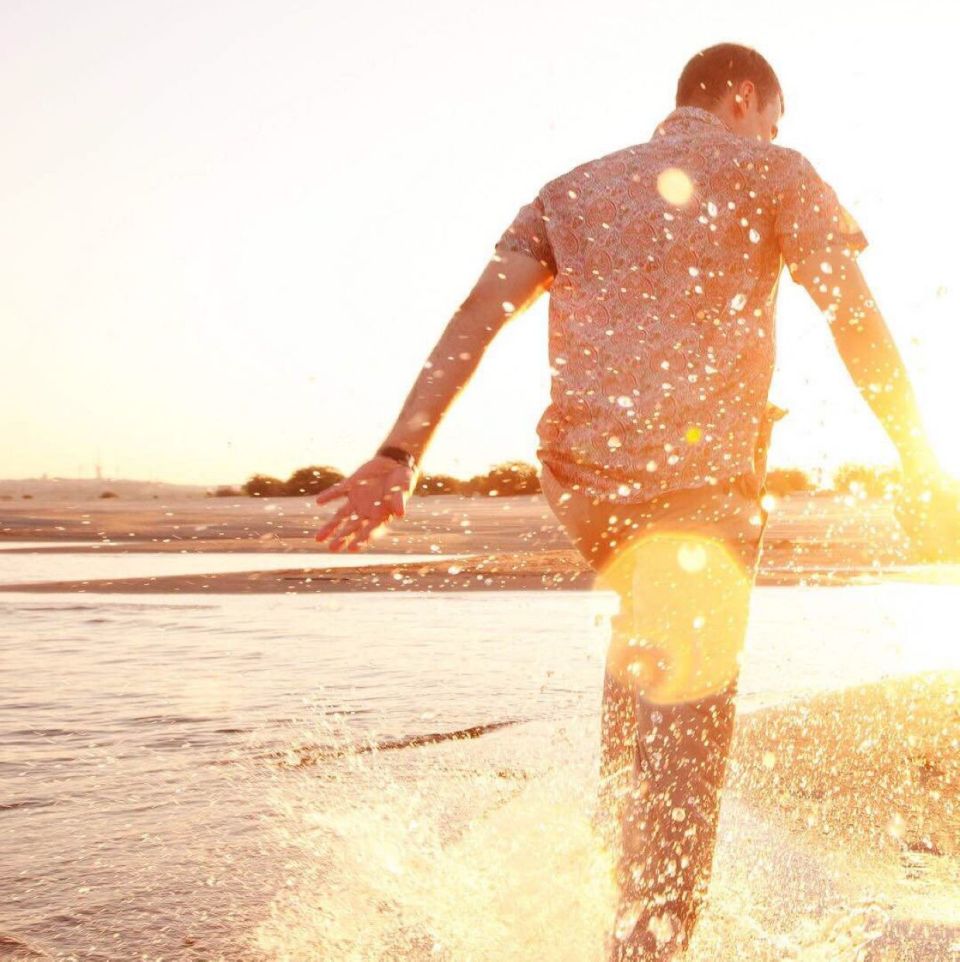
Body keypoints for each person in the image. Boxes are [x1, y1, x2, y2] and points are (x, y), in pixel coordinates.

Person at [315, 42, 950, 960]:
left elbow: (479, 316)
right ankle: (647, 945)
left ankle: (607, 882)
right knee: (688, 767)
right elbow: (852, 316)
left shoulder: (573, 188)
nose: (775, 136)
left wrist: (397, 453)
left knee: (643, 673)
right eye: (774, 120)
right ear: (745, 98)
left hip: (585, 489)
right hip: (698, 494)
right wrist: (921, 464)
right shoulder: (775, 172)